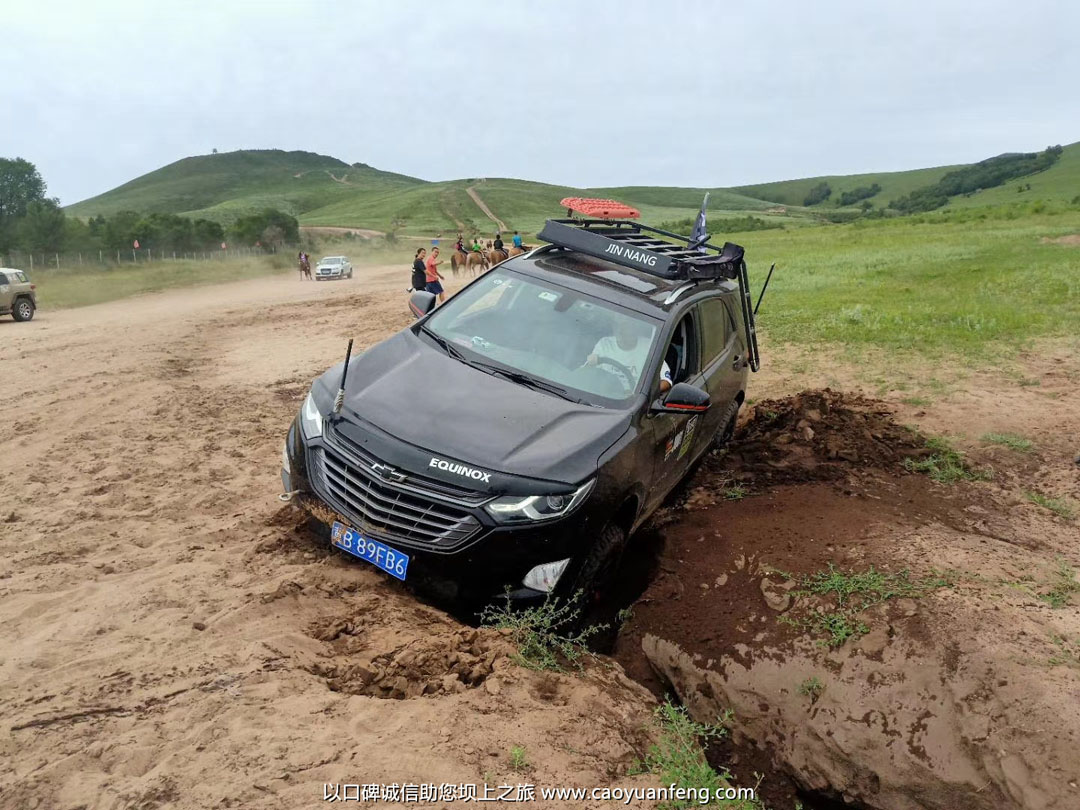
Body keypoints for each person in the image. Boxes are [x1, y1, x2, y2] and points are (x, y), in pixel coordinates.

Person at [585, 320, 672, 392]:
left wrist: (642, 396)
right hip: (601, 393)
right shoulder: (605, 344)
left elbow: (666, 381)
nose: (621, 332)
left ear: (636, 330)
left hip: (631, 403)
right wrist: (590, 363)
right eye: (618, 328)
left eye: (626, 328)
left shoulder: (649, 346)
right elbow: (587, 371)